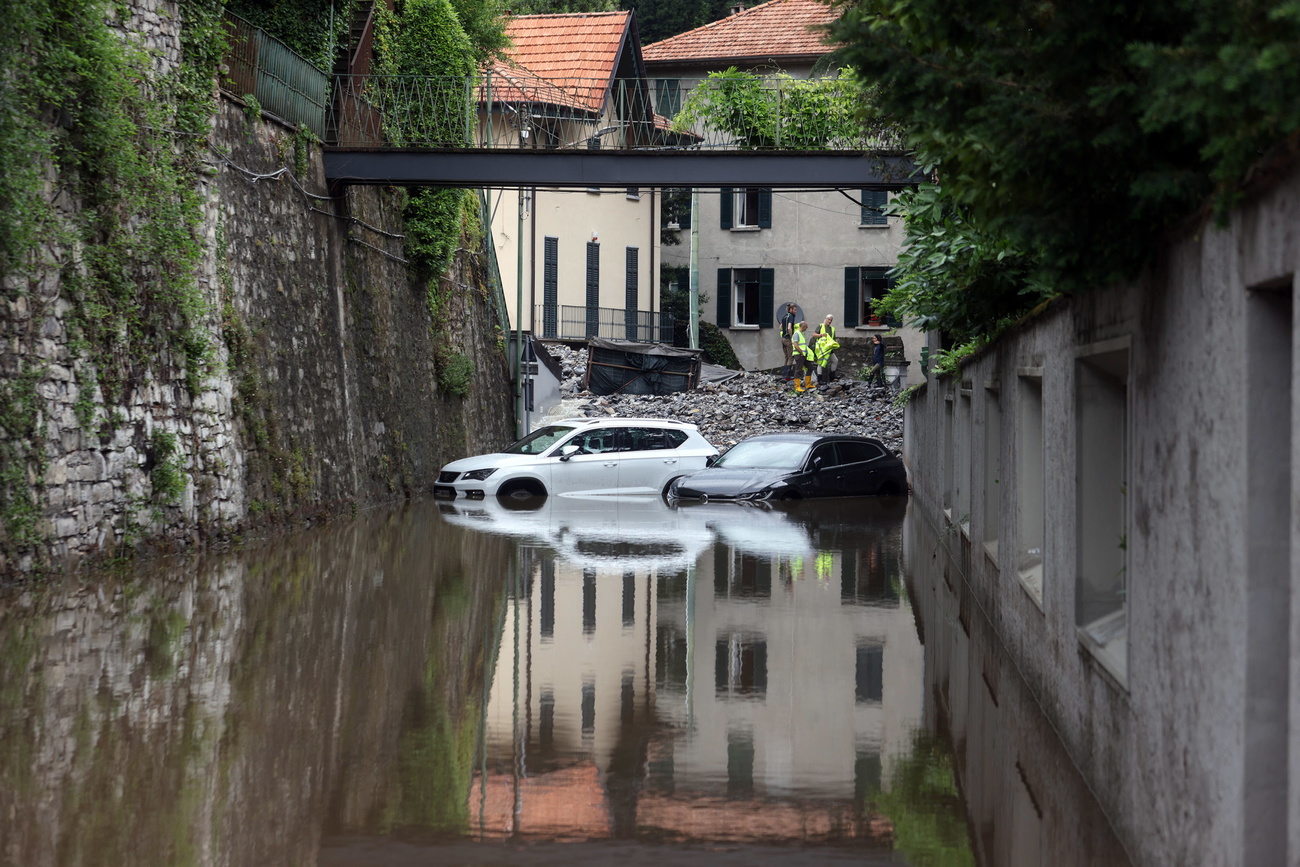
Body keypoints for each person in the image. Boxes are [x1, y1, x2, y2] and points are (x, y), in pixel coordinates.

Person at [814, 314, 838, 380]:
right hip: (822, 349)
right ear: (825, 319)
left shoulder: (832, 329)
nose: (829, 321)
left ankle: (832, 376)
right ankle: (819, 378)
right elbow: (814, 334)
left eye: (831, 320)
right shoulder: (821, 326)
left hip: (829, 349)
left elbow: (834, 338)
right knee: (820, 363)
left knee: (835, 360)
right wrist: (821, 335)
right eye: (828, 319)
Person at [778, 303, 798, 380]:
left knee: (786, 357)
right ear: (791, 310)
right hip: (787, 339)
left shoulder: (784, 316)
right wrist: (791, 337)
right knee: (790, 357)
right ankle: (787, 375)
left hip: (783, 338)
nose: (796, 311)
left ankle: (784, 374)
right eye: (795, 310)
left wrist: (784, 332)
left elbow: (780, 327)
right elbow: (789, 328)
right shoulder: (791, 317)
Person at [792, 321, 812, 392]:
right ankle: (797, 387)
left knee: (810, 367)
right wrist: (801, 352)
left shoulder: (801, 334)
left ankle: (808, 384)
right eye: (806, 327)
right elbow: (795, 344)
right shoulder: (797, 334)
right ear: (803, 327)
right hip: (799, 354)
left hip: (803, 355)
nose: (806, 329)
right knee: (798, 370)